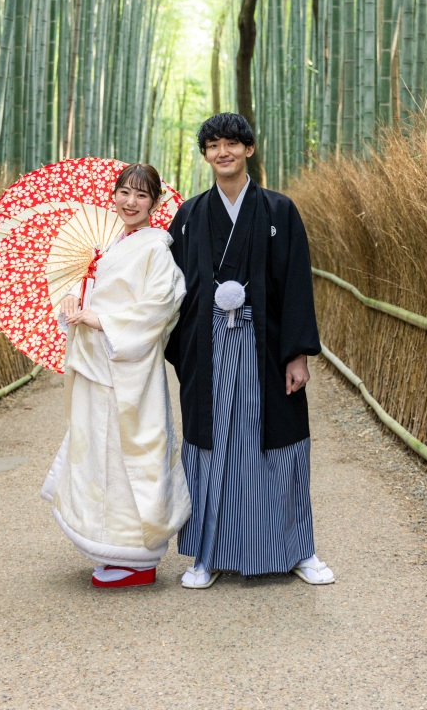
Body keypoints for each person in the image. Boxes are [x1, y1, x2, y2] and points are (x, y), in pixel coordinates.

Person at [166, 113, 335, 589]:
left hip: (265, 347)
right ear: (205, 155)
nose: (224, 152)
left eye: (232, 144)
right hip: (207, 346)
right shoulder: (190, 215)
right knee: (212, 447)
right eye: (214, 145)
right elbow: (169, 288)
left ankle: (299, 550)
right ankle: (206, 554)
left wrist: (297, 353)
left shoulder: (280, 211)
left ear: (249, 150)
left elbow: (297, 285)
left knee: (280, 448)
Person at [41, 163, 190, 588]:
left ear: (155, 203)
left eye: (141, 195)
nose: (130, 202)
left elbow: (162, 304)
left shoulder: (156, 249)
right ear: (114, 196)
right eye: (124, 192)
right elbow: (92, 295)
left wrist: (102, 320)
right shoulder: (111, 246)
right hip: (97, 367)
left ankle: (139, 557)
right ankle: (110, 546)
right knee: (98, 454)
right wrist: (74, 301)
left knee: (130, 457)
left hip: (129, 370)